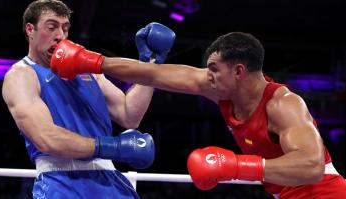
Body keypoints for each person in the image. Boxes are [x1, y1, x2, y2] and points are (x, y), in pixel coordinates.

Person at [50, 23, 346, 198]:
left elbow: (311, 165)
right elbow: (153, 75)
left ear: (239, 71)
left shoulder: (283, 104)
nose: (208, 75)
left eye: (215, 70)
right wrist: (93, 62)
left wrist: (237, 167)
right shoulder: (218, 88)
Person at [2, 0, 175, 198]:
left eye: (65, 29)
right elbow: (46, 139)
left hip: (110, 179)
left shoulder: (86, 69)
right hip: (60, 182)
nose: (60, 36)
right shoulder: (21, 75)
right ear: (30, 30)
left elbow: (129, 115)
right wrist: (114, 147)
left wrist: (150, 65)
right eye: (51, 27)